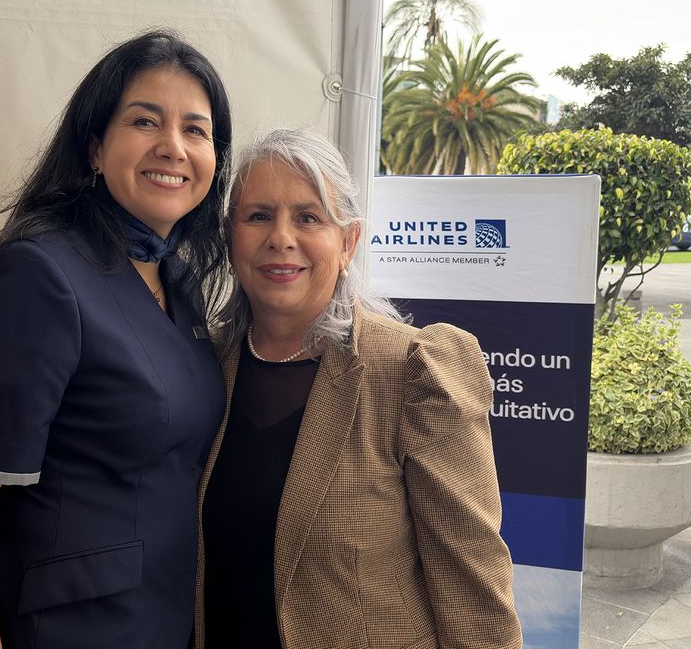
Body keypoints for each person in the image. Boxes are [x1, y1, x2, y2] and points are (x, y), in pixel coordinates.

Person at [0, 30, 232, 649]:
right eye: (146, 121)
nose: (173, 146)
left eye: (196, 130)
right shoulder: (37, 275)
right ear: (94, 146)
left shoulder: (179, 280)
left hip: (164, 623)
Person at [197, 128, 522, 649]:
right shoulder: (204, 367)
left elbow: (472, 580)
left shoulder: (412, 372)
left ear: (347, 242)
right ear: (231, 237)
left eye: (309, 217)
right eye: (259, 215)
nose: (281, 237)